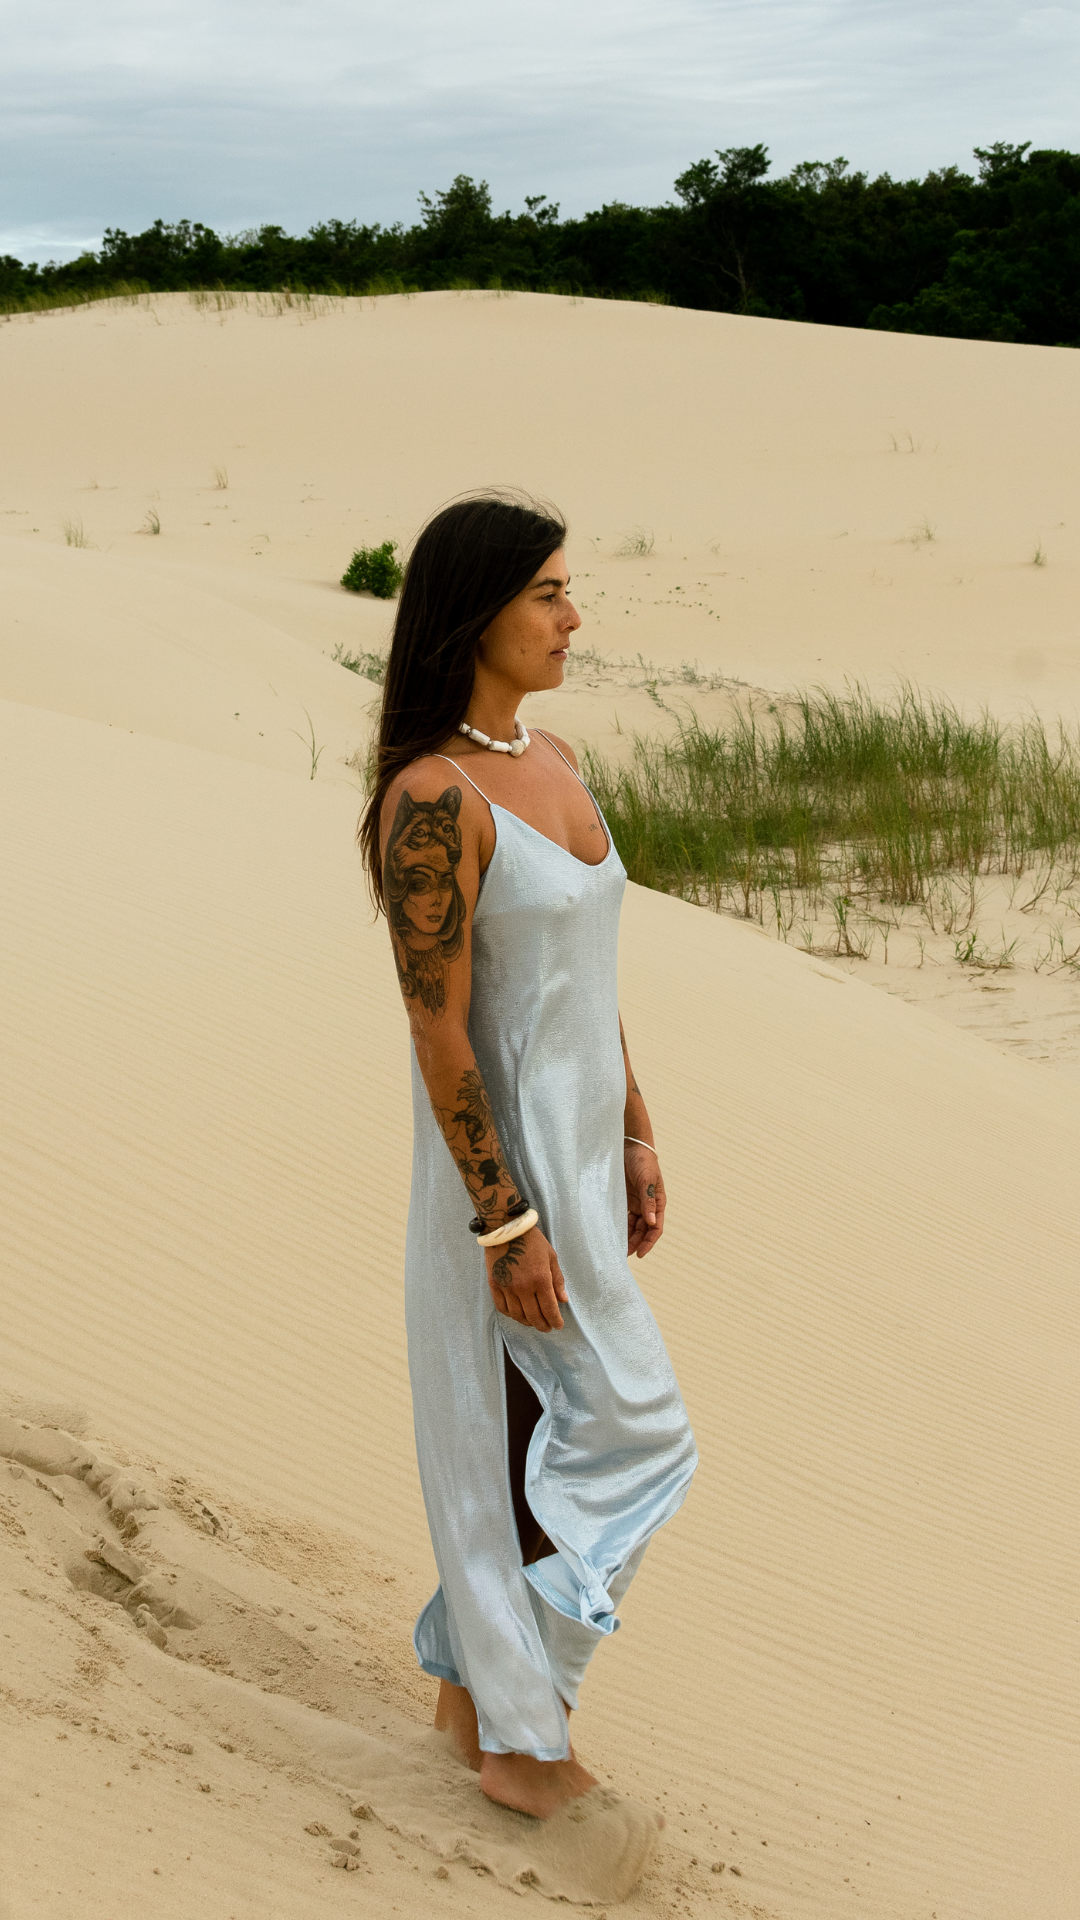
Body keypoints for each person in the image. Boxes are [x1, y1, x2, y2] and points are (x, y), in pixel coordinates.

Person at [359, 491, 697, 1822]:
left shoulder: (552, 757)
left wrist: (634, 1126)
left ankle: (478, 1708)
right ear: (477, 610)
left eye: (568, 590)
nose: (573, 616)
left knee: (531, 1441)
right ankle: (524, 1731)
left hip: (583, 1163)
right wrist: (505, 1223)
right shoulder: (430, 799)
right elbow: (437, 1028)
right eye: (548, 592)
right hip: (499, 1188)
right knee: (637, 1432)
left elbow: (585, 975)